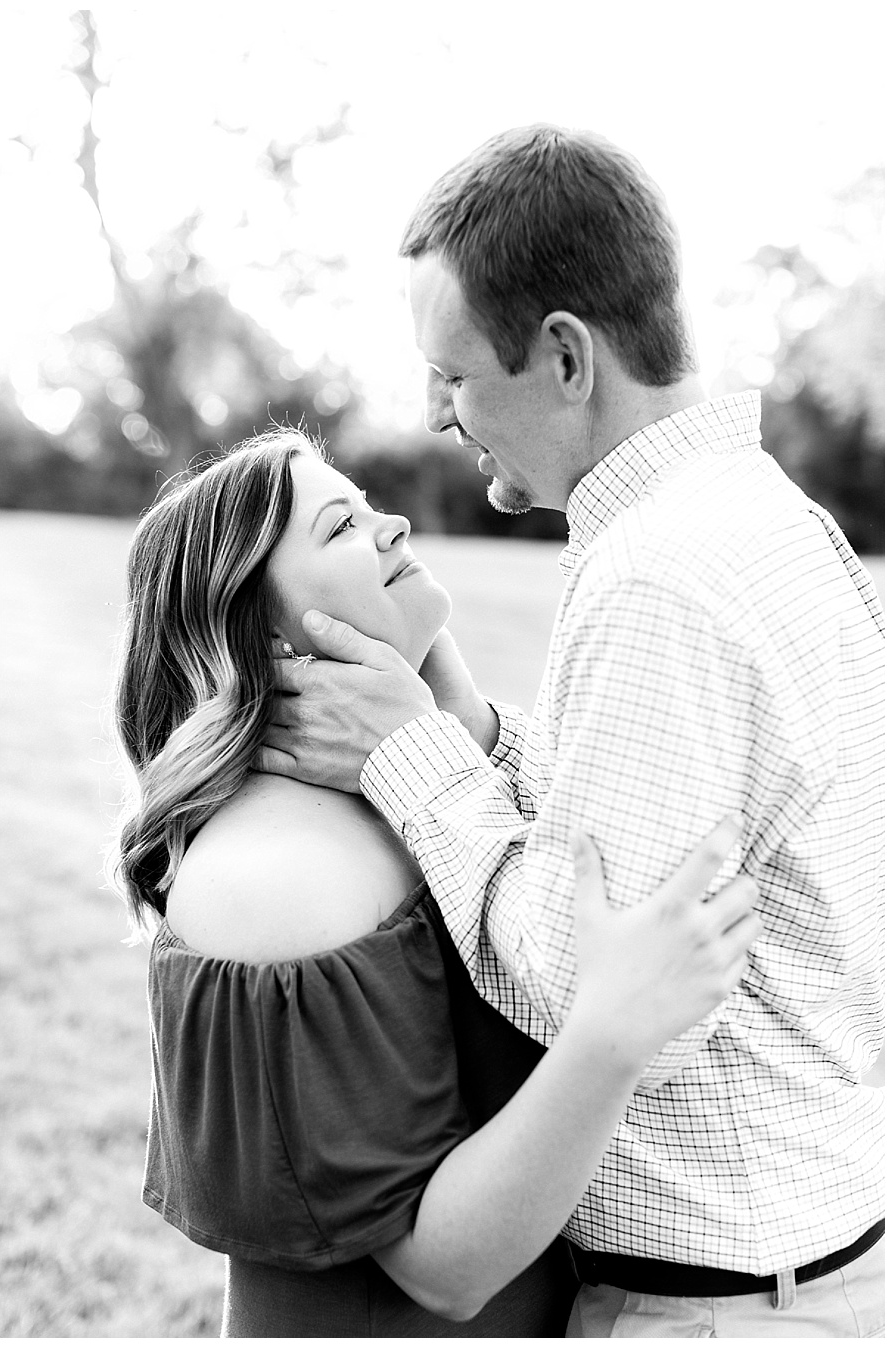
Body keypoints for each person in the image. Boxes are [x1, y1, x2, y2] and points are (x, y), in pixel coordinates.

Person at [257, 125, 884, 1337]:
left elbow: (582, 983)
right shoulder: (765, 517)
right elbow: (667, 828)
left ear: (563, 357)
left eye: (451, 374)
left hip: (725, 1311)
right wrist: (477, 731)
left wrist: (409, 758)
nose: (436, 413)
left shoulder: (658, 575)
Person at [113, 432, 760, 1336]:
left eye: (366, 505)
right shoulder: (276, 876)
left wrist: (452, 712)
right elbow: (441, 1271)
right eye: (341, 527)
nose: (394, 525)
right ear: (263, 633)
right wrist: (614, 1031)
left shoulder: (409, 786)